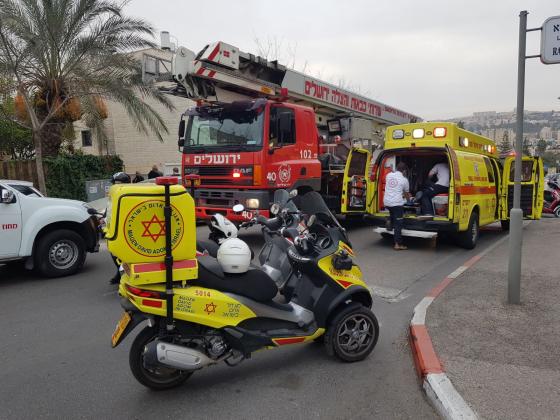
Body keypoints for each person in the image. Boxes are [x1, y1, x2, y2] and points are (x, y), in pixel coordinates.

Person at [108, 172, 131, 284]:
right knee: (114, 253)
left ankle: (125, 277)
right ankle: (119, 273)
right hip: (115, 230)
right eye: (113, 184)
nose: (114, 186)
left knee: (125, 255)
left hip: (127, 231)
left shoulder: (128, 195)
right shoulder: (114, 196)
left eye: (116, 184)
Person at [383, 162, 411, 250]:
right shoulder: (404, 179)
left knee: (392, 214)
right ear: (404, 171)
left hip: (387, 202)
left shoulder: (389, 175)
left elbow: (393, 187)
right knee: (398, 224)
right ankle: (398, 244)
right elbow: (406, 193)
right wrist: (409, 201)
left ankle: (390, 221)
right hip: (397, 204)